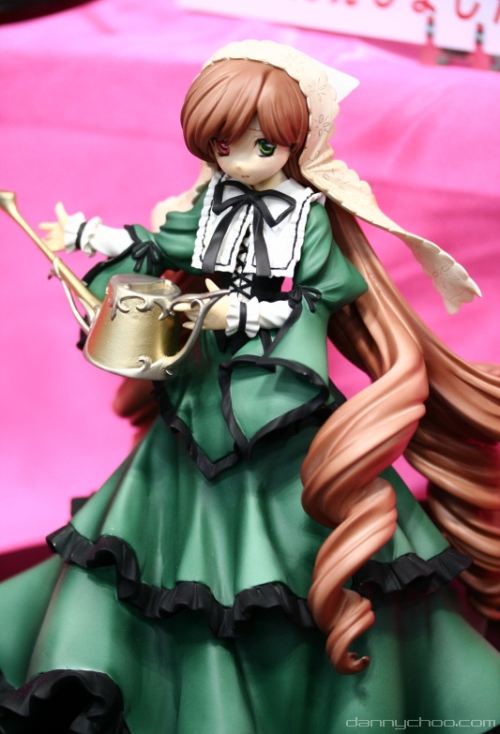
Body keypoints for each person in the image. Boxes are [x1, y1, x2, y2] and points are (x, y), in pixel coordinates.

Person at [0, 40, 499, 734]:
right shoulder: (214, 200)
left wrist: (254, 314)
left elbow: (325, 291)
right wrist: (87, 234)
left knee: (302, 534)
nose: (239, 160)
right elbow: (164, 244)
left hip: (277, 388)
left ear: (293, 143)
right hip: (206, 379)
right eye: (223, 146)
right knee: (160, 533)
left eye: (261, 146)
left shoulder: (305, 213)